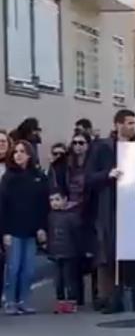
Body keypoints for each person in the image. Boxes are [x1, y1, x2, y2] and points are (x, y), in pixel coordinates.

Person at [85, 109, 135, 314]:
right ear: (118, 124)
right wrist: (108, 174)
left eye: (133, 123)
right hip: (111, 208)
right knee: (113, 257)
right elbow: (89, 178)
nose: (133, 127)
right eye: (129, 123)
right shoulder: (102, 148)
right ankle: (114, 300)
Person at [0, 140, 48, 315]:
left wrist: (42, 227)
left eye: (22, 151)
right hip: (12, 230)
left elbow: (43, 204)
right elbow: (3, 206)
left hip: (31, 230)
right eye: (16, 152)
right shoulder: (9, 177)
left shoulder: (38, 176)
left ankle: (24, 300)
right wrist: (4, 231)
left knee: (28, 269)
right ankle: (10, 301)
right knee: (13, 268)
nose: (18, 154)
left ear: (29, 155)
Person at [48, 132, 96, 307]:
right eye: (74, 142)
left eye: (81, 142)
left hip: (88, 212)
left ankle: (89, 296)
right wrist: (61, 201)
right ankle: (72, 298)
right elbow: (56, 185)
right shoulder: (65, 165)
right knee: (70, 260)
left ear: (88, 145)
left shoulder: (92, 163)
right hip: (69, 211)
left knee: (87, 257)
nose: (78, 146)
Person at [48, 189, 82, 314]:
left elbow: (77, 235)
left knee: (70, 278)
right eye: (51, 200)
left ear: (65, 200)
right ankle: (60, 301)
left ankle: (72, 301)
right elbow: (50, 235)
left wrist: (79, 250)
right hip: (56, 252)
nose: (54, 203)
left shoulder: (72, 216)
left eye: (57, 199)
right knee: (58, 280)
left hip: (69, 252)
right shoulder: (50, 216)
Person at [0, 130, 12, 303]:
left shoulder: (12, 167)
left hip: (9, 217)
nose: (1, 144)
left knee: (7, 259)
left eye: (3, 141)